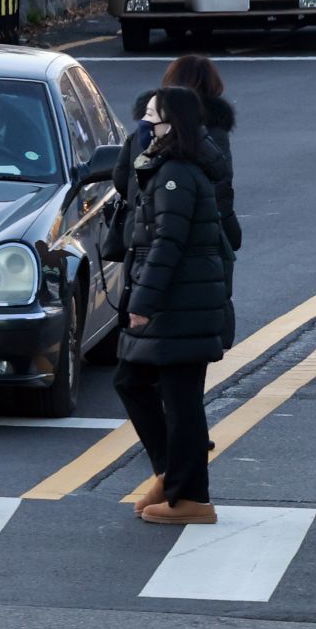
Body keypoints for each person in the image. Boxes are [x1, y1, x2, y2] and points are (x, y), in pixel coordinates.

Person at [114, 87, 231, 526]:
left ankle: (192, 497)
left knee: (180, 400)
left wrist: (143, 301)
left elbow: (168, 242)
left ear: (172, 124)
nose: (145, 124)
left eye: (152, 117)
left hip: (180, 302)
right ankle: (171, 475)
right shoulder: (169, 166)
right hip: (180, 299)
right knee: (133, 380)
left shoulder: (176, 174)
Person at [104, 55, 241, 342]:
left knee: (143, 315)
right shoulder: (211, 133)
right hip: (194, 239)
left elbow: (120, 179)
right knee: (187, 307)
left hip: (138, 236)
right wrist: (229, 231)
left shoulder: (145, 128)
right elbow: (221, 187)